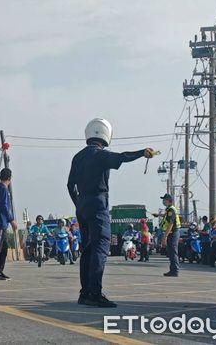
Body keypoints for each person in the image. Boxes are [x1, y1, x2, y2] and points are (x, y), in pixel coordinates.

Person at [67, 118, 154, 307]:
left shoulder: (78, 156)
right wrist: (142, 153)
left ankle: (84, 293)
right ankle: (95, 293)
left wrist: (79, 203)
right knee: (100, 247)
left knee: (87, 249)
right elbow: (122, 156)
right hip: (98, 203)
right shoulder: (100, 155)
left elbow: (69, 185)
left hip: (82, 204)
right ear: (106, 135)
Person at [0, 168, 18, 281]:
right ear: (9, 178)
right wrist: (12, 220)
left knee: (4, 248)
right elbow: (5, 206)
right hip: (0, 222)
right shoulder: (3, 189)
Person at [158, 193, 181, 277]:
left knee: (173, 252)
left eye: (164, 200)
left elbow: (170, 224)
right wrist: (158, 215)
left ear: (169, 201)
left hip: (173, 233)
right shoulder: (169, 209)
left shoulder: (170, 210)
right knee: (171, 252)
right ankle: (172, 270)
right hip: (173, 233)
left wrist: (165, 236)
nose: (163, 201)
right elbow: (167, 217)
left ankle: (175, 271)